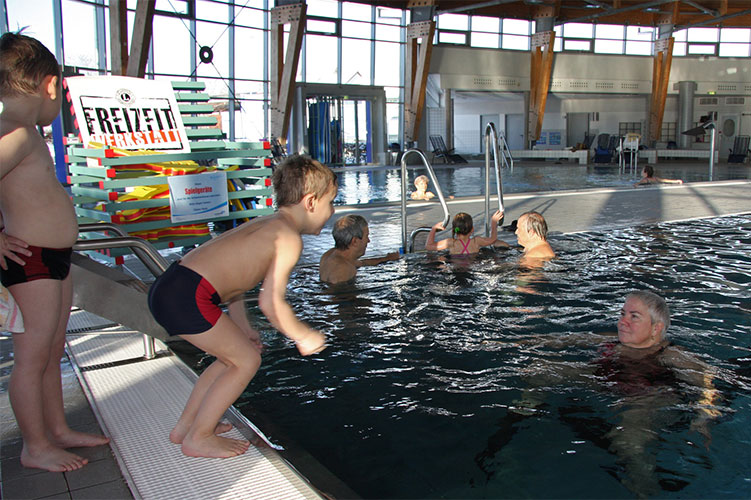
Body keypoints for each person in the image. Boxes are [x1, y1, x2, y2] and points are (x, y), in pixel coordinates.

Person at [148, 154, 335, 459]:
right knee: (247, 361)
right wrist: (302, 335)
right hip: (189, 296)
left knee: (230, 359)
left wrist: (243, 327)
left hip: (172, 286)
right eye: (331, 202)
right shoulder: (288, 238)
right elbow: (270, 302)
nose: (332, 211)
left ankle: (186, 427)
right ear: (311, 202)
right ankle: (199, 437)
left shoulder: (266, 224)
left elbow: (234, 286)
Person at [476, 290, 721, 496]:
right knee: (543, 368)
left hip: (647, 397)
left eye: (634, 317)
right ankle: (525, 411)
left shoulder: (671, 354)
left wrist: (704, 416)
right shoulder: (612, 341)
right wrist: (509, 344)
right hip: (606, 384)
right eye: (622, 314)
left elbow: (707, 380)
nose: (623, 321)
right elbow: (562, 340)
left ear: (656, 328)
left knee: (629, 434)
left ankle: (642, 487)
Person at [0, 32, 110, 472]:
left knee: (51, 350)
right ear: (50, 85)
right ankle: (35, 446)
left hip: (50, 259)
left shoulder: (24, 132)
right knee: (31, 359)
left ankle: (57, 430)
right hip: (31, 260)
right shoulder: (16, 134)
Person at [319, 215, 400, 284]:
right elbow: (339, 296)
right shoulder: (343, 269)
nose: (368, 241)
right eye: (366, 236)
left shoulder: (330, 255)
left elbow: (363, 263)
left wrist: (387, 258)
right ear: (355, 241)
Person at [425, 210, 504, 255]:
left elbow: (429, 246)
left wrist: (433, 229)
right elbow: (493, 239)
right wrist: (493, 222)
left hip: (456, 271)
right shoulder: (476, 241)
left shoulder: (451, 243)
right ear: (472, 229)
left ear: (454, 230)